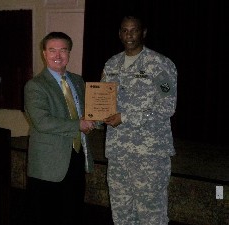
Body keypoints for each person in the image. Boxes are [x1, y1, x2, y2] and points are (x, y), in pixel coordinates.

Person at [101, 15, 177, 225]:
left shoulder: (160, 64)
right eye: (124, 30)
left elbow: (166, 107)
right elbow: (102, 101)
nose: (129, 35)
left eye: (134, 30)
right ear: (119, 34)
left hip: (149, 156)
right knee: (121, 213)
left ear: (143, 32)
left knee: (151, 215)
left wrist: (125, 117)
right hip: (118, 155)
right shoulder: (111, 64)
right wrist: (94, 117)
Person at [24, 31, 95, 225]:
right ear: (44, 54)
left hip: (76, 157)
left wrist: (93, 120)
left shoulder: (78, 81)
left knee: (73, 215)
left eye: (63, 50)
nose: (58, 55)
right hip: (48, 165)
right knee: (47, 217)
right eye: (52, 50)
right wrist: (78, 125)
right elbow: (42, 121)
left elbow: (83, 113)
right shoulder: (35, 86)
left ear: (69, 53)